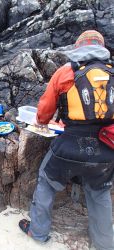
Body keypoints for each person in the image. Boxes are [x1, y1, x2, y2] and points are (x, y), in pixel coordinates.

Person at [19, 30, 114, 250]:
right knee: (100, 193)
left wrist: (42, 121)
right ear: (101, 48)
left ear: (78, 47)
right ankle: (105, 243)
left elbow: (44, 109)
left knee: (46, 181)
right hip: (106, 149)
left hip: (69, 145)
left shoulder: (65, 72)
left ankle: (39, 232)